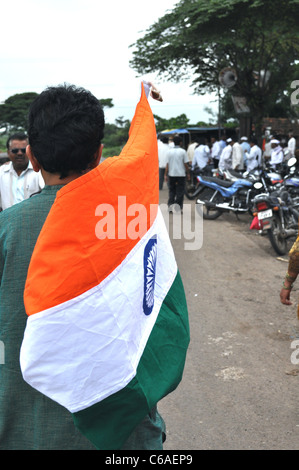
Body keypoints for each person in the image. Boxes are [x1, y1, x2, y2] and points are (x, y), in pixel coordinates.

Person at [0, 84, 167, 450]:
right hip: (124, 435)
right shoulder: (132, 223)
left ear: (32, 156)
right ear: (97, 155)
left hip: (25, 430)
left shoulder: (8, 229)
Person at [0, 133, 44, 211]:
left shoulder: (39, 172)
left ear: (30, 151)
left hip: (32, 220)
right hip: (7, 221)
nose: (19, 153)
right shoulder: (1, 172)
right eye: (15, 150)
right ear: (8, 152)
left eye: (24, 150)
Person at [165, 135, 189, 212]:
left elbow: (167, 165)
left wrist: (166, 174)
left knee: (172, 191)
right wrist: (188, 173)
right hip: (181, 175)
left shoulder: (169, 152)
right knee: (180, 191)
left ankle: (170, 207)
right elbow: (185, 164)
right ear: (181, 142)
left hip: (171, 174)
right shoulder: (183, 151)